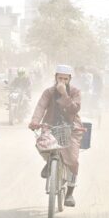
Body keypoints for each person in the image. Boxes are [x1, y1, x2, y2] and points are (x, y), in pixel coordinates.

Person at [28, 64, 84, 207]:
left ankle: (70, 193)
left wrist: (64, 94)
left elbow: (74, 109)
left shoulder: (75, 92)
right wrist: (35, 121)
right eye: (60, 78)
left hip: (71, 128)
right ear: (55, 78)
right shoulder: (49, 92)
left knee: (72, 159)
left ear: (69, 79)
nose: (63, 81)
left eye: (66, 79)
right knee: (42, 144)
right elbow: (40, 106)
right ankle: (49, 162)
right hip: (50, 126)